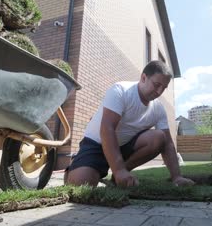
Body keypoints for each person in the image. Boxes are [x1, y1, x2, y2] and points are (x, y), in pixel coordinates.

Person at [65, 60, 195, 187]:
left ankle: (119, 175)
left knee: (159, 137)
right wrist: (119, 169)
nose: (159, 91)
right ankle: (76, 166)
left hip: (124, 146)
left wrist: (177, 176)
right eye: (156, 85)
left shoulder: (158, 109)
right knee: (81, 183)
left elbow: (168, 143)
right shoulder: (121, 90)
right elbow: (107, 128)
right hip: (97, 143)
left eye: (164, 88)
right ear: (143, 77)